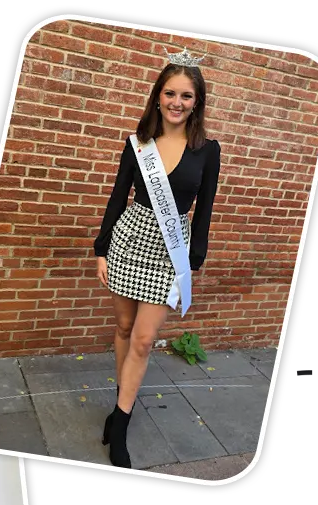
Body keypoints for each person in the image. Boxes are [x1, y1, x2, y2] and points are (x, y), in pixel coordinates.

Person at [93, 52, 222, 468]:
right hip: (130, 240)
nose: (177, 102)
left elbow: (204, 210)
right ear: (158, 96)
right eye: (170, 93)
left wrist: (194, 262)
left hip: (171, 249)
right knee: (124, 327)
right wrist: (101, 248)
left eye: (187, 95)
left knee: (145, 339)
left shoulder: (208, 150)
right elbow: (118, 197)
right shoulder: (138, 144)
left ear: (197, 101)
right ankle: (119, 405)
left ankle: (122, 424)